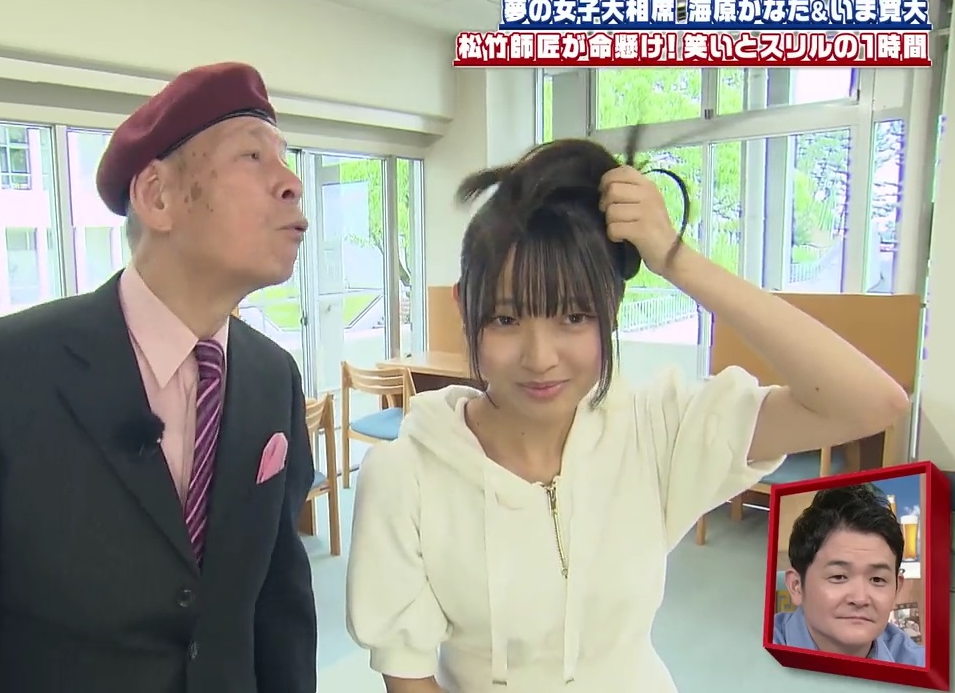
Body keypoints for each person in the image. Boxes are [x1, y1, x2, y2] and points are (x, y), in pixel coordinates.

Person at [345, 138, 910, 692]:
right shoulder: (406, 475)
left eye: (573, 316)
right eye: (505, 319)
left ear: (610, 311)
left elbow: (869, 402)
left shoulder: (656, 429)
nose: (540, 357)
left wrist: (675, 258)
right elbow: (409, 675)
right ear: (463, 307)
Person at [0, 62, 318, 693]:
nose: (292, 183)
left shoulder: (272, 378)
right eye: (253, 156)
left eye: (286, 160)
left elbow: (279, 606)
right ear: (158, 197)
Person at [774, 484, 925, 665]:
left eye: (877, 579)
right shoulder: (754, 653)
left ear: (896, 590)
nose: (860, 599)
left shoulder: (917, 664)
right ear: (796, 586)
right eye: (839, 577)